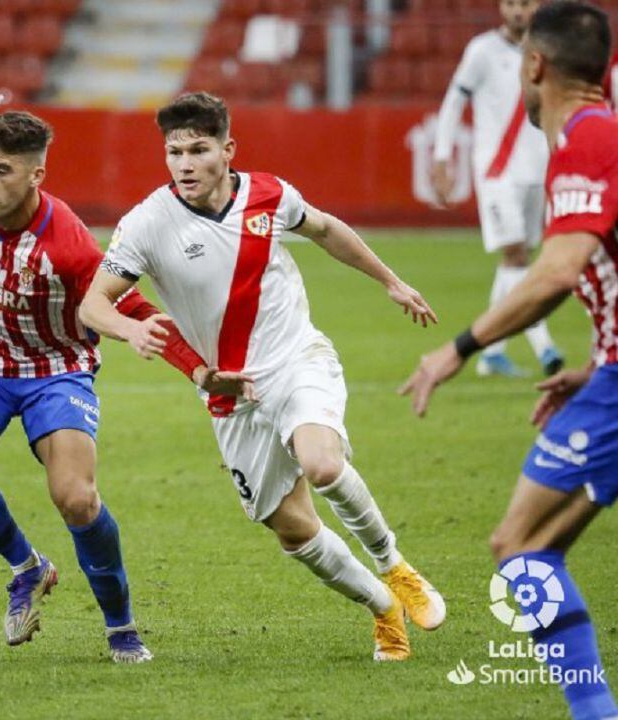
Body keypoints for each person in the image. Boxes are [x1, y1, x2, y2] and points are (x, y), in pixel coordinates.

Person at [79, 92, 446, 662]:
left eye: (198, 150)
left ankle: (394, 565)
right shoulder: (148, 223)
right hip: (231, 397)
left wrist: (390, 280)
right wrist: (129, 331)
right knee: (294, 532)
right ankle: (383, 607)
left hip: (295, 360)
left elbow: (326, 230)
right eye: (173, 152)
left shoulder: (269, 194)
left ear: (227, 150)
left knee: (323, 463)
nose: (184, 164)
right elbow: (93, 304)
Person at [0, 87, 241, 664]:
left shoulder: (66, 245)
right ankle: (27, 568)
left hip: (54, 369)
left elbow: (137, 309)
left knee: (76, 498)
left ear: (37, 175)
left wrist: (196, 368)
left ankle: (121, 628)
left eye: (1, 171)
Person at [401, 3, 617, 717]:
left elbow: (556, 274)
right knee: (529, 545)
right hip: (609, 376)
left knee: (521, 545)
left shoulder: (589, 138)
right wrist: (592, 366)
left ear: (533, 65)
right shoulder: (594, 138)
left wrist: (458, 348)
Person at [432, 0, 565, 378]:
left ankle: (492, 354)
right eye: (511, 3)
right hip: (497, 172)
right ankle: (546, 348)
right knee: (517, 255)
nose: (518, 11)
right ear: (501, 8)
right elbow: (453, 103)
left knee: (516, 260)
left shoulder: (547, 50)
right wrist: (442, 158)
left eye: (525, 3)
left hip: (537, 169)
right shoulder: (482, 51)